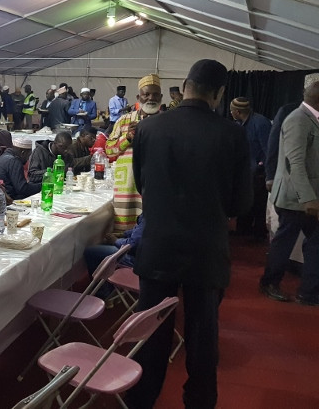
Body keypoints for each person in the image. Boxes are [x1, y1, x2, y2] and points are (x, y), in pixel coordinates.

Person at [125, 59, 252, 409]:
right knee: (202, 337)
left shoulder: (149, 128)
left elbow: (142, 184)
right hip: (206, 247)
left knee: (151, 332)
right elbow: (241, 203)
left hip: (158, 242)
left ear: (184, 86)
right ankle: (199, 401)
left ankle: (140, 400)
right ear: (220, 93)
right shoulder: (232, 134)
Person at [259, 82, 319, 305]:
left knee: (311, 242)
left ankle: (309, 291)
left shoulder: (309, 118)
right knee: (284, 243)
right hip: (295, 198)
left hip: (306, 197)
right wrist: (309, 198)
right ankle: (269, 283)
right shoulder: (298, 119)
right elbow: (294, 163)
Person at [105, 74, 163, 231]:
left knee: (152, 231)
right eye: (146, 94)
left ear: (161, 97)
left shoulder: (167, 122)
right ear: (138, 97)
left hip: (156, 185)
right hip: (128, 187)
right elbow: (109, 151)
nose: (151, 98)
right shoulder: (124, 120)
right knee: (124, 233)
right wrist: (127, 138)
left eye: (155, 94)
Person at [229, 97, 271, 238]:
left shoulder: (260, 123)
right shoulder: (239, 124)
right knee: (245, 202)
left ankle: (258, 233)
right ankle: (243, 230)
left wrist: (262, 168)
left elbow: (268, 150)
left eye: (232, 111)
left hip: (258, 172)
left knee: (258, 204)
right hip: (246, 171)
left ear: (238, 112)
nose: (230, 113)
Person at [83, 214, 145, 299]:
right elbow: (139, 230)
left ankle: (102, 295)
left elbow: (132, 245)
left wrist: (115, 241)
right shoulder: (156, 213)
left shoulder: (150, 215)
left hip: (137, 259)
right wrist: (123, 234)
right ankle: (110, 290)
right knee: (104, 246)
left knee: (91, 252)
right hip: (145, 257)